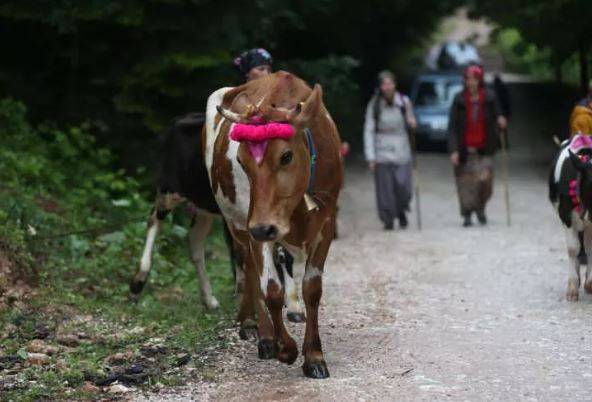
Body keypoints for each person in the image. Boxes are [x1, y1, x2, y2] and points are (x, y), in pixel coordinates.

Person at [448, 64, 507, 227]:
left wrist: (501, 120)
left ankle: (480, 207)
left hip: (485, 148)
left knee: (485, 182)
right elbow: (452, 126)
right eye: (468, 79)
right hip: (464, 148)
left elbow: (499, 115)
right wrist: (453, 150)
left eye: (474, 79)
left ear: (479, 80)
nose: (471, 83)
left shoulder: (490, 97)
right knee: (466, 183)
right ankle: (467, 214)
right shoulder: (458, 99)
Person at [364, 70, 417, 230]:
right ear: (380, 87)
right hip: (382, 150)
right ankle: (388, 218)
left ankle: (401, 209)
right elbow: (369, 130)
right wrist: (371, 157)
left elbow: (410, 120)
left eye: (390, 83)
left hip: (401, 147)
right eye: (384, 84)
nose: (387, 87)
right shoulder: (374, 105)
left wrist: (412, 122)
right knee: (385, 188)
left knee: (404, 187)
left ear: (395, 85)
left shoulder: (404, 101)